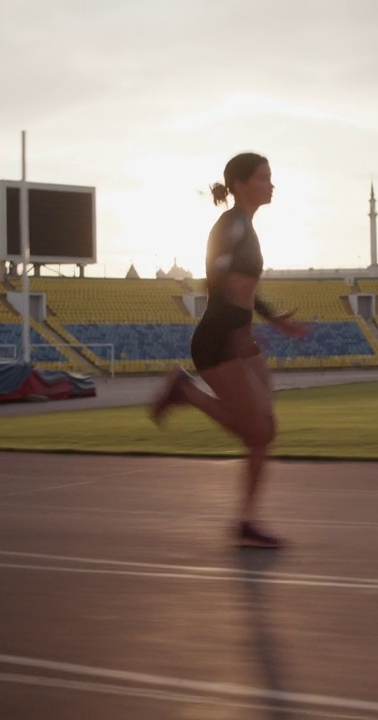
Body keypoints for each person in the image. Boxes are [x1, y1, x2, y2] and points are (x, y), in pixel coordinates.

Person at [149, 152, 309, 549]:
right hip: (219, 339)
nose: (271, 184)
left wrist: (272, 319)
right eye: (263, 177)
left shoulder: (245, 227)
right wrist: (238, 332)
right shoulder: (230, 226)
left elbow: (245, 290)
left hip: (240, 335)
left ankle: (246, 520)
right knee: (260, 431)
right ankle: (185, 391)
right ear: (240, 185)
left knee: (260, 430)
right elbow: (217, 280)